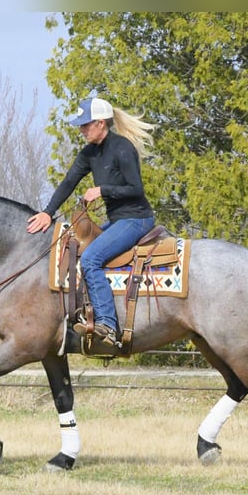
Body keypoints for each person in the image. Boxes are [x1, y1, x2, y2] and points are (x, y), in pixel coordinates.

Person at [27, 97, 156, 346]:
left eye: (85, 125)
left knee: (90, 258)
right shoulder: (89, 153)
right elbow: (68, 182)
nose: (81, 129)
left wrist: (102, 190)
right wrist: (47, 212)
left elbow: (136, 189)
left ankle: (108, 324)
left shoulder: (122, 148)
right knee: (78, 249)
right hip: (119, 221)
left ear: (100, 123)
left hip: (136, 219)